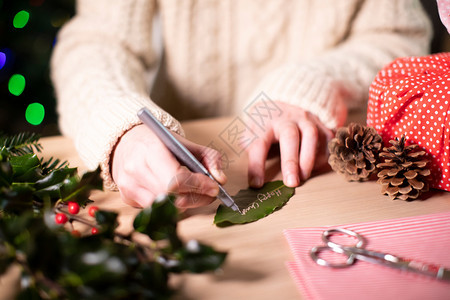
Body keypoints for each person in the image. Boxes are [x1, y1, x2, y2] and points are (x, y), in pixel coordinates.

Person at [51, 0, 431, 209]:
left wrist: (308, 83)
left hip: (327, 174)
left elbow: (397, 36)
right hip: (180, 159)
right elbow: (95, 43)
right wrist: (122, 127)